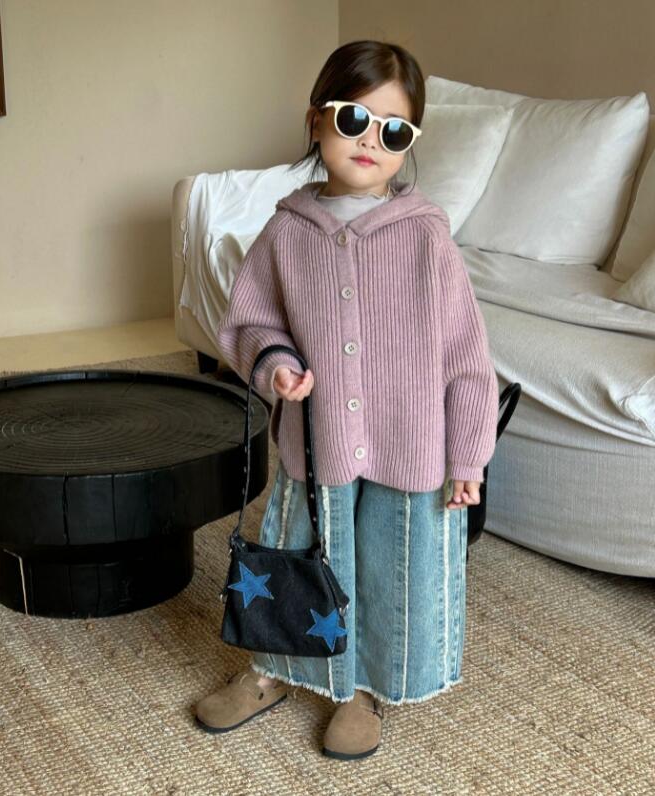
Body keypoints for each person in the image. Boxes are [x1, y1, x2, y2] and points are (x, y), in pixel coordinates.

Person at [193, 39, 499, 761]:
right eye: (354, 118)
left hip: (408, 448)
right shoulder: (286, 230)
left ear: (410, 143)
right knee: (293, 550)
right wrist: (276, 366)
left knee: (387, 568)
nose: (370, 141)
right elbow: (251, 321)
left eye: (394, 130)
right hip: (318, 441)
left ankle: (360, 688)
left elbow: (466, 355)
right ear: (316, 119)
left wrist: (469, 456)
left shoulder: (426, 236)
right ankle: (272, 668)